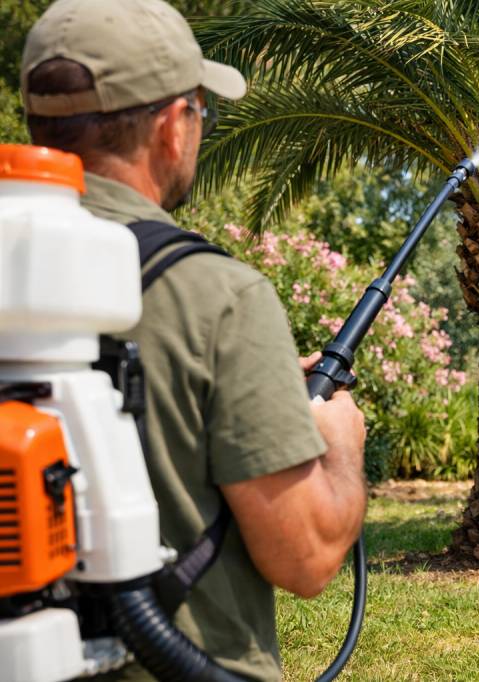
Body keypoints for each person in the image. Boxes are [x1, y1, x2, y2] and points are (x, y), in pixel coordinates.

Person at [20, 1, 367, 679]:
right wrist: (341, 445)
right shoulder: (216, 297)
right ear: (172, 127)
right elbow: (307, 557)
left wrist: (258, 391)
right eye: (199, 110)